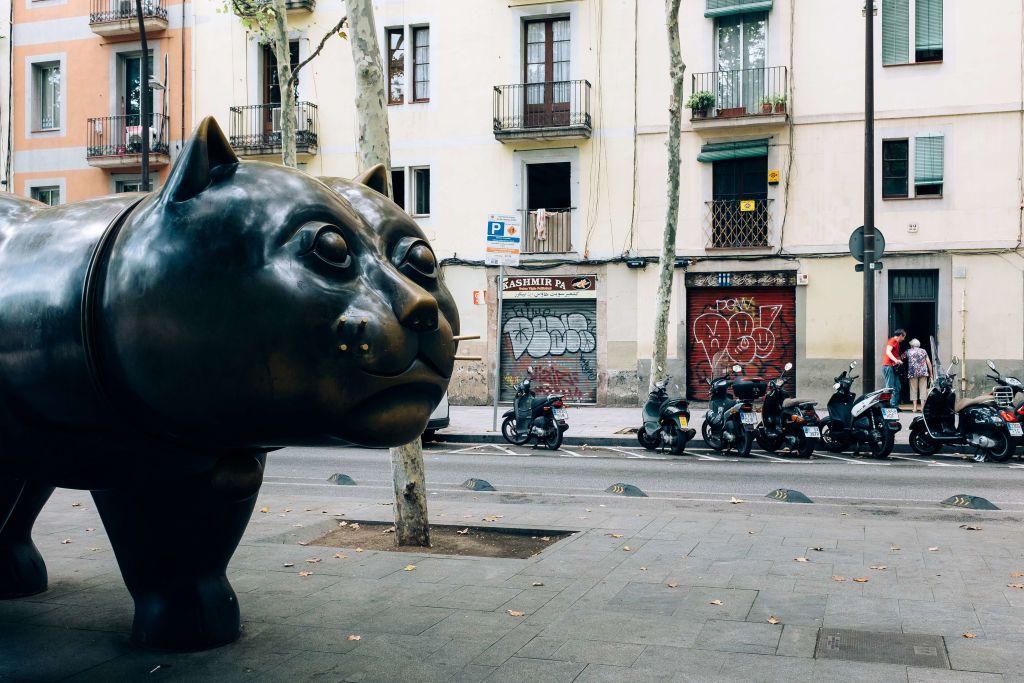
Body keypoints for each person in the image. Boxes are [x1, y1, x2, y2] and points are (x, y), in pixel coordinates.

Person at [902, 339, 933, 413]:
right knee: (923, 389)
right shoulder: (923, 351)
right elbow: (928, 362)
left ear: (912, 345)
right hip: (923, 372)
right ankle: (922, 408)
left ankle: (915, 408)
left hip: (913, 373)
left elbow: (902, 357)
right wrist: (931, 373)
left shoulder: (908, 351)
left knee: (913, 389)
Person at [881, 329, 906, 409]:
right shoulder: (893, 340)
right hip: (888, 366)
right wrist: (896, 360)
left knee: (897, 386)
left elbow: (894, 354)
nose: (904, 339)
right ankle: (889, 406)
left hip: (892, 366)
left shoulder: (896, 342)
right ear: (900, 335)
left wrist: (899, 359)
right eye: (903, 336)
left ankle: (894, 405)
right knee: (890, 387)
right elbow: (888, 352)